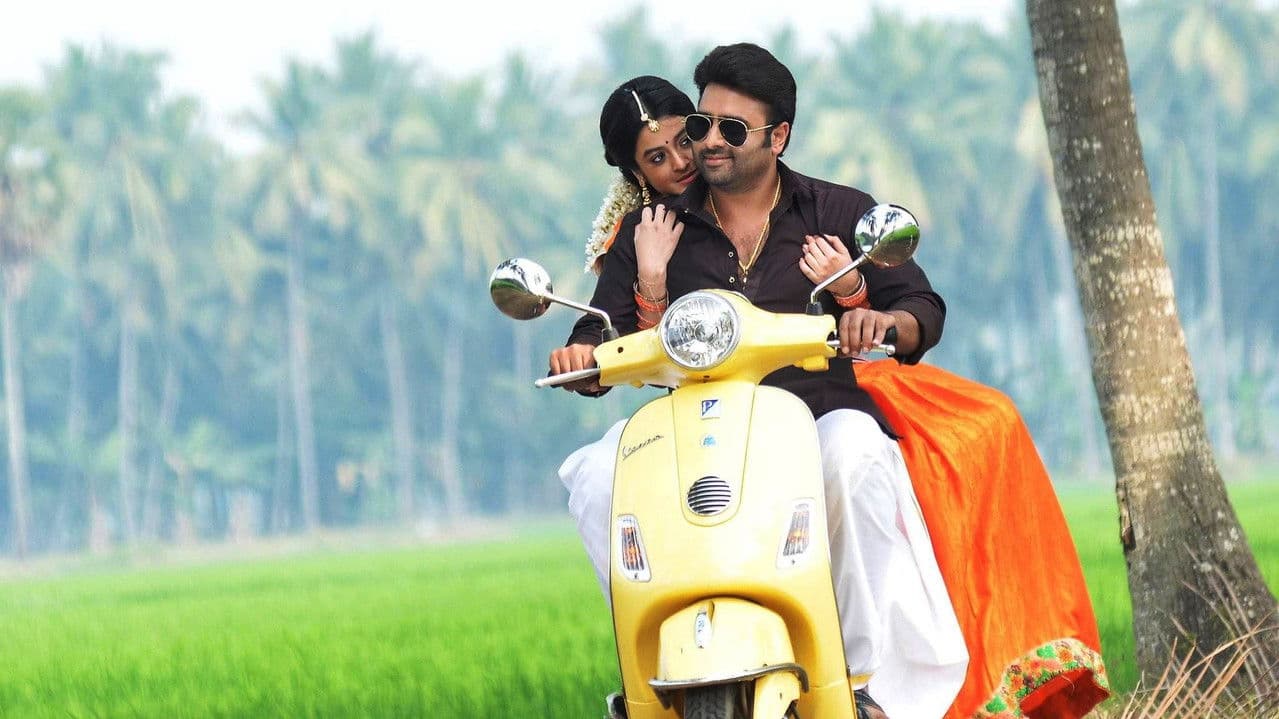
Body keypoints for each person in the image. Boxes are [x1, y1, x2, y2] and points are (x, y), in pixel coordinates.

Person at [553, 44, 965, 719]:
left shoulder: (835, 210)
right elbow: (600, 330)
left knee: (856, 449)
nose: (707, 142)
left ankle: (858, 680)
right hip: (694, 435)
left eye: (732, 128)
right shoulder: (651, 228)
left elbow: (921, 308)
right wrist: (578, 355)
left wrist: (880, 318)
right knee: (596, 475)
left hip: (812, 420)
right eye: (701, 124)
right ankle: (646, 677)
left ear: (778, 137)